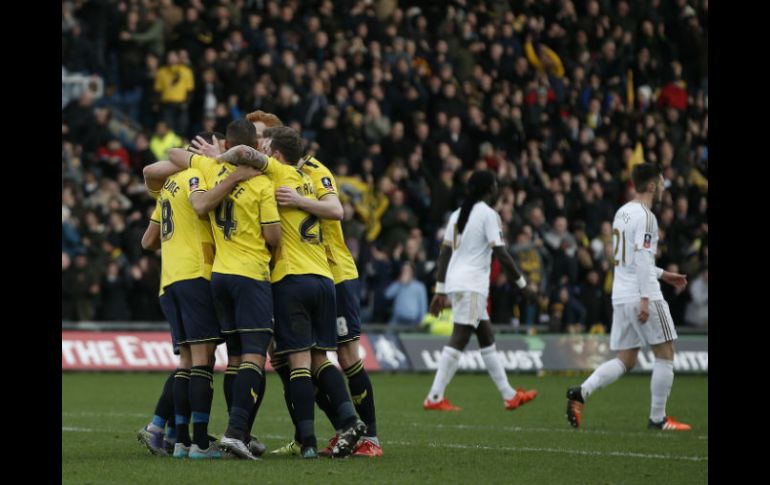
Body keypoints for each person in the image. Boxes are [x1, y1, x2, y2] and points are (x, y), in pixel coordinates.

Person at [217, 127, 366, 458]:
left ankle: (310, 443)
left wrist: (218, 157)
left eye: (269, 150)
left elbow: (246, 156)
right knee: (320, 358)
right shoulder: (312, 181)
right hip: (324, 279)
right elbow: (335, 208)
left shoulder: (278, 173)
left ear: (279, 156)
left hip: (291, 278)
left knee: (298, 363)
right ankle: (348, 423)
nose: (265, 154)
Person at [158, 120, 279, 459]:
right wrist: (238, 171)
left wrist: (217, 158)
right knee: (252, 354)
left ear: (225, 142)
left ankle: (190, 435)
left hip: (219, 276)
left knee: (233, 358)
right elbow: (273, 237)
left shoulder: (209, 167)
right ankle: (233, 433)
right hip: (250, 273)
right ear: (256, 144)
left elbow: (169, 157)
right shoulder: (263, 182)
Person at [566, 163, 691, 431]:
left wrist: (664, 274)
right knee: (666, 352)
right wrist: (646, 298)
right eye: (661, 182)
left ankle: (582, 392)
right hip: (640, 294)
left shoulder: (622, 213)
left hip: (621, 296)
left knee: (627, 358)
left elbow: (629, 260)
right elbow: (643, 259)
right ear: (652, 185)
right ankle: (658, 418)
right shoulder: (647, 217)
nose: (664, 188)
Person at [423, 170, 538, 411]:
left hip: (459, 283)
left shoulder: (457, 215)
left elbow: (444, 253)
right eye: (495, 186)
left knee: (486, 335)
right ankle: (434, 396)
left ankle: (509, 395)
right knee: (461, 335)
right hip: (472, 285)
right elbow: (502, 254)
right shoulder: (488, 215)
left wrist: (440, 290)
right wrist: (523, 286)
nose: (498, 190)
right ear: (488, 189)